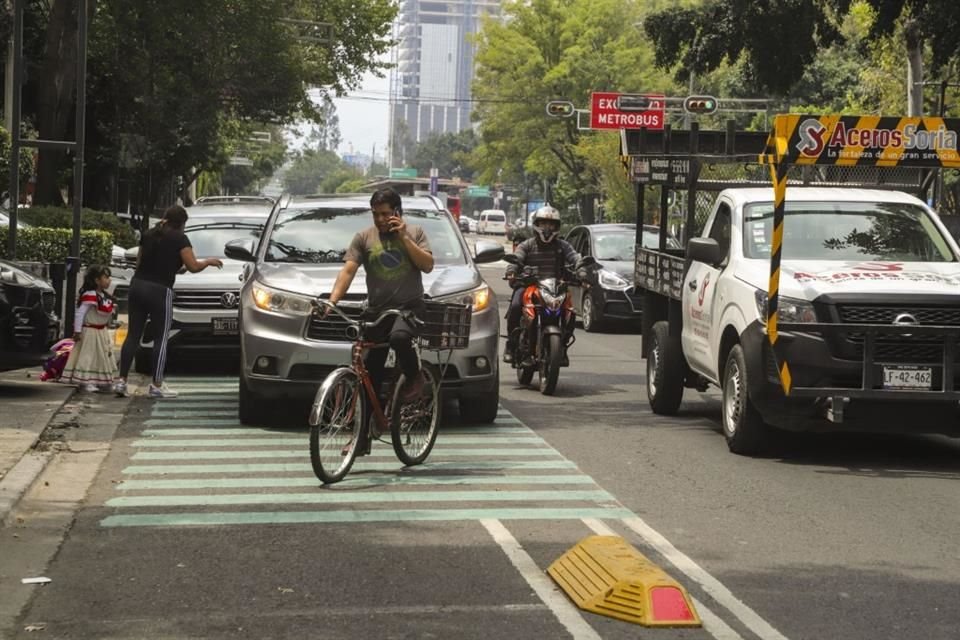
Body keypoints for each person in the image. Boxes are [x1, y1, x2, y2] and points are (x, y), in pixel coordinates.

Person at [326, 188, 434, 405]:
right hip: (377, 313)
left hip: (409, 309)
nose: (380, 219)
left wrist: (403, 237)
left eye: (385, 214)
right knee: (369, 373)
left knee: (399, 338)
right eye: (375, 214)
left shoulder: (416, 232)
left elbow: (427, 265)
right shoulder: (363, 237)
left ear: (397, 211)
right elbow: (348, 271)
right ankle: (367, 429)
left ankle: (415, 378)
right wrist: (332, 301)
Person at [115, 205, 223, 398]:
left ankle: (121, 381)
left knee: (133, 335)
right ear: (182, 223)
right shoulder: (180, 238)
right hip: (160, 290)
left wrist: (171, 269)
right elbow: (192, 266)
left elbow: (141, 263)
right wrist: (208, 262)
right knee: (161, 338)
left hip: (138, 286)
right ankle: (156, 384)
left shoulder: (148, 234)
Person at [504, 204, 584, 365]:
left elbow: (575, 258)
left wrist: (582, 272)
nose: (547, 228)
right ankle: (511, 346)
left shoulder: (563, 246)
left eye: (551, 224)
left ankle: (562, 346)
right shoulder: (527, 245)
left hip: (556, 287)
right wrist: (512, 270)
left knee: (570, 310)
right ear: (537, 225)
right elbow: (517, 257)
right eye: (543, 224)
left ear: (557, 226)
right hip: (528, 285)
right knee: (515, 306)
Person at [61, 265, 119, 392]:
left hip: (101, 332)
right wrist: (77, 331)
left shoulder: (103, 296)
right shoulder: (90, 295)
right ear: (97, 280)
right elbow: (80, 313)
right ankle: (85, 381)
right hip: (90, 332)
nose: (109, 280)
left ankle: (102, 381)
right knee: (88, 356)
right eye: (106, 277)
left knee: (103, 356)